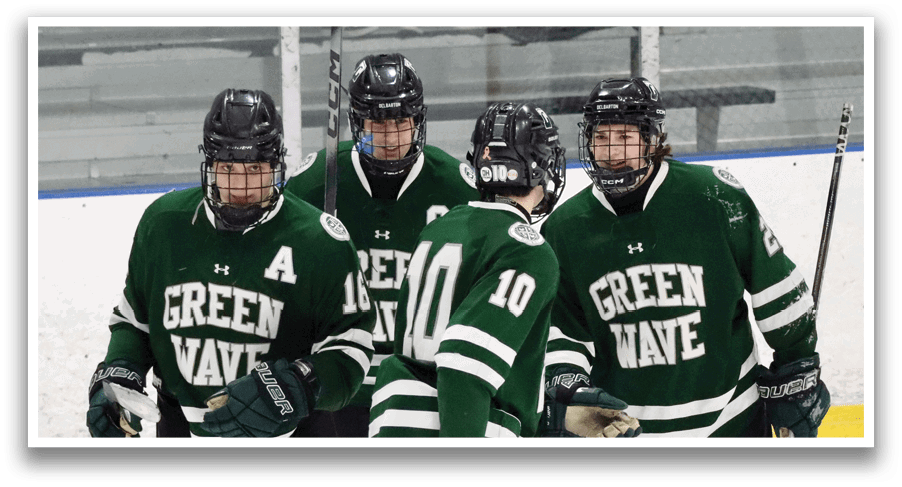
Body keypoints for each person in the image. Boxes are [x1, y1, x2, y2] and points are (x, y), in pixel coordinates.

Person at [539, 77, 831, 437]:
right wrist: (568, 382)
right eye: (600, 138)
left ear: (651, 140)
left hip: (732, 420)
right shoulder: (565, 228)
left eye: (625, 138)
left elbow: (776, 290)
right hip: (625, 429)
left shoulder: (714, 197)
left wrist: (798, 364)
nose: (611, 152)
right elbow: (561, 329)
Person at [86, 88, 376, 438]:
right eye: (227, 168)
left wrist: (301, 385)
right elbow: (135, 322)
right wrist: (119, 374)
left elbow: (351, 347)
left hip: (290, 434)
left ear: (276, 164)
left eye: (255, 168)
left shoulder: (320, 240)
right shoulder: (164, 224)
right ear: (209, 165)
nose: (241, 186)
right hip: (179, 427)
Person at [283, 53, 480, 436]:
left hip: (423, 387)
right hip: (333, 388)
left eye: (401, 123)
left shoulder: (458, 190)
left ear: (418, 121)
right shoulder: (313, 185)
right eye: (377, 124)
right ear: (357, 123)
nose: (390, 138)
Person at [368, 101, 575, 437]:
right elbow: (464, 365)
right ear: (538, 167)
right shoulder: (528, 251)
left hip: (392, 421)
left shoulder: (441, 227)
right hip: (459, 427)